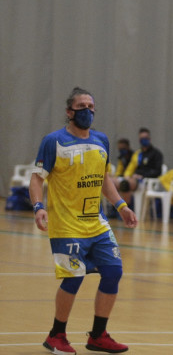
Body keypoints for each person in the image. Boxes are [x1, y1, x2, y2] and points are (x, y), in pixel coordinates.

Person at [30, 87, 138, 355]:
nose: (88, 111)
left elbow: (103, 178)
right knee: (74, 278)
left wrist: (121, 205)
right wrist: (38, 207)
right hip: (67, 225)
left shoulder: (101, 140)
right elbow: (37, 178)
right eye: (81, 106)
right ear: (69, 112)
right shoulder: (54, 141)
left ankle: (98, 335)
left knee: (113, 272)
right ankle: (56, 335)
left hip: (97, 223)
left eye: (91, 106)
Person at [117, 127, 164, 206]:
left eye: (145, 138)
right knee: (114, 182)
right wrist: (127, 176)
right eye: (142, 138)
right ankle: (116, 208)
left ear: (149, 139)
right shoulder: (138, 154)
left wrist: (142, 175)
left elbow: (158, 171)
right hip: (135, 178)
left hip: (146, 181)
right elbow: (130, 167)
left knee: (125, 184)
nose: (144, 140)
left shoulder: (156, 154)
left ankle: (127, 207)